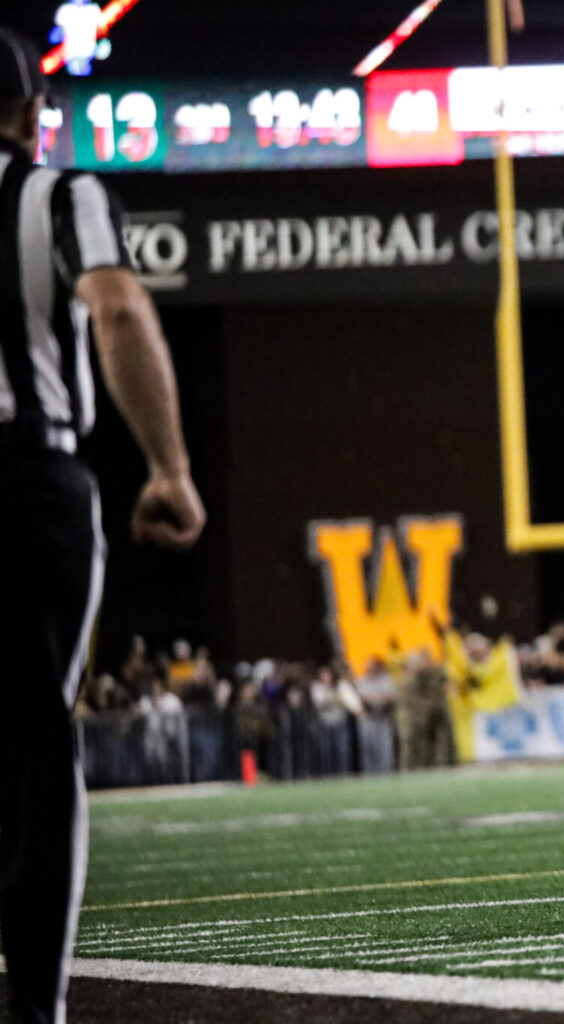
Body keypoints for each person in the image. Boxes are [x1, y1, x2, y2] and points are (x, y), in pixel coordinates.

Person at [1, 31, 205, 1023]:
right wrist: (168, 465)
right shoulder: (56, 195)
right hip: (31, 479)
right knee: (39, 745)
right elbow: (118, 313)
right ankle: (34, 1008)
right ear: (31, 113)